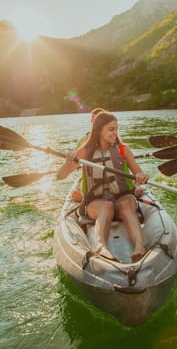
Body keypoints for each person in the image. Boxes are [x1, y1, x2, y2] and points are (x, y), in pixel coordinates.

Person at [57, 111, 149, 262]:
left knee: (126, 204)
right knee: (107, 206)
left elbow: (139, 174)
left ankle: (140, 247)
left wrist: (141, 177)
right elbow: (60, 176)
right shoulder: (85, 151)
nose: (115, 133)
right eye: (111, 129)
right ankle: (101, 248)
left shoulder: (122, 149)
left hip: (122, 197)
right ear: (99, 130)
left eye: (116, 129)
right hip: (96, 202)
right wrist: (68, 163)